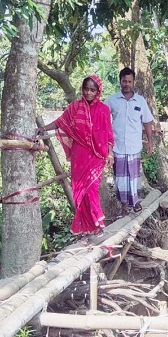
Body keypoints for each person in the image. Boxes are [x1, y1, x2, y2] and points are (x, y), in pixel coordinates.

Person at [37, 75, 114, 243]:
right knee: (80, 193)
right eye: (86, 89)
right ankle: (87, 230)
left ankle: (98, 225)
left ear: (98, 91)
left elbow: (108, 134)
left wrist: (110, 153)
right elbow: (60, 122)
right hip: (79, 156)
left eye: (92, 90)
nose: (88, 92)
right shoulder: (75, 107)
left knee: (92, 190)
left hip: (96, 156)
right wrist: (42, 129)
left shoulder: (104, 110)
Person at [105, 67, 154, 215]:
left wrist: (150, 142)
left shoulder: (140, 101)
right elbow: (103, 120)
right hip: (118, 147)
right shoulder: (111, 100)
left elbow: (147, 122)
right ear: (120, 81)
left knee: (133, 177)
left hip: (134, 146)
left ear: (134, 82)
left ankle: (135, 202)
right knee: (120, 179)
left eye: (129, 81)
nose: (127, 84)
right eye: (124, 81)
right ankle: (124, 206)